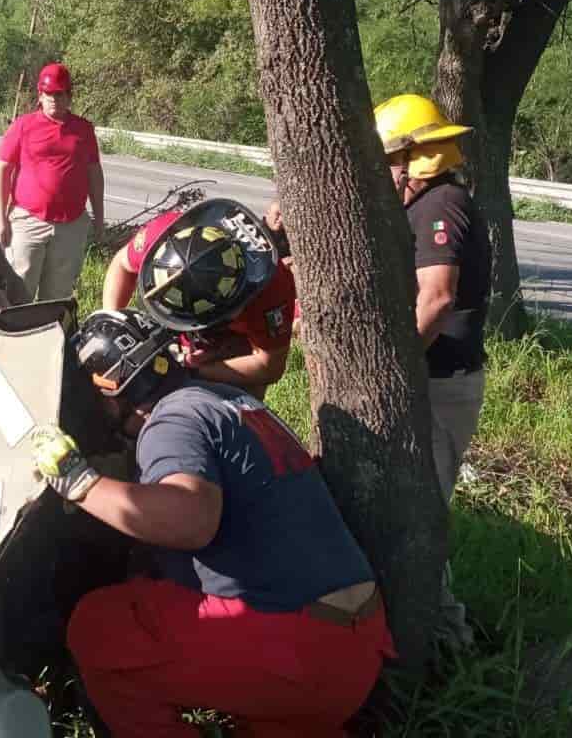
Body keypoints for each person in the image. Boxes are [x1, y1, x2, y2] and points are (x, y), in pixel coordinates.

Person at [33, 309, 394, 737]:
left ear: (111, 392)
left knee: (99, 627)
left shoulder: (171, 421)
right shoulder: (229, 402)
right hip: (356, 652)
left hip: (295, 651)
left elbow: (190, 521)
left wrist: (79, 482)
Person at [374, 93, 491, 646]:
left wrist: (392, 368)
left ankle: (447, 636)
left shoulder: (440, 206)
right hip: (435, 375)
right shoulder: (427, 202)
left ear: (414, 155)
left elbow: (437, 299)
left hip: (440, 381)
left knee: (422, 508)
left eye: (390, 161)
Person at [100, 198, 295, 396]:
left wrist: (192, 371)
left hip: (233, 351)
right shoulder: (163, 232)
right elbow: (122, 264)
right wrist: (110, 322)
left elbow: (268, 365)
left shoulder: (271, 287)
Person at [0, 62, 104, 301]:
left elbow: (95, 174)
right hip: (28, 221)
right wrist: (1, 219)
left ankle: (50, 336)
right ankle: (16, 336)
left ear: (69, 95)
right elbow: (2, 171)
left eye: (60, 93)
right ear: (40, 95)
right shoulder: (23, 126)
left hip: (71, 226)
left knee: (57, 296)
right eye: (49, 94)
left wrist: (99, 219)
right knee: (19, 291)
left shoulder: (83, 130)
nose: (54, 99)